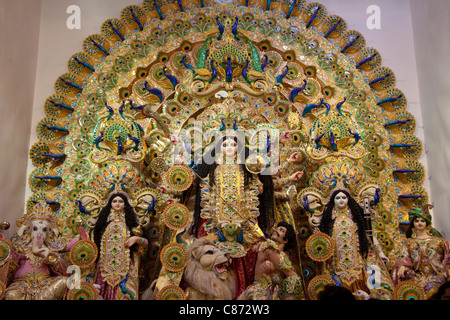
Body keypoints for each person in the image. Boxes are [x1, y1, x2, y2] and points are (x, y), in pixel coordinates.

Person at [187, 133, 276, 297]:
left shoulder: (247, 169)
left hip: (244, 219)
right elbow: (196, 186)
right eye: (225, 144)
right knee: (211, 256)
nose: (229, 147)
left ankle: (244, 294)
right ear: (218, 148)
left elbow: (260, 189)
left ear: (239, 148)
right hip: (213, 219)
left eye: (233, 145)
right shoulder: (212, 168)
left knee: (246, 256)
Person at [317, 189, 392, 299]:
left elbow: (370, 237)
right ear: (333, 201)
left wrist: (380, 253)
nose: (341, 200)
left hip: (358, 264)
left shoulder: (357, 219)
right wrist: (319, 238)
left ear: (349, 199)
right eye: (337, 198)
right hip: (336, 265)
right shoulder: (329, 220)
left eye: (344, 197)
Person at [4, 201, 78, 300]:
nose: (39, 233)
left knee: (64, 281)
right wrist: (18, 256)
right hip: (21, 286)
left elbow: (64, 271)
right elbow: (9, 270)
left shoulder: (48, 251)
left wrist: (50, 257)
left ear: (48, 234)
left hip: (44, 286)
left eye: (44, 230)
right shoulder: (19, 248)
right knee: (10, 295)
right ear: (28, 230)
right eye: (35, 229)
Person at [93, 192, 149, 300]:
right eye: (114, 201)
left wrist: (137, 239)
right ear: (110, 204)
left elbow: (147, 243)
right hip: (104, 265)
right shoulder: (103, 224)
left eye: (120, 201)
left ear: (125, 204)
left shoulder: (131, 224)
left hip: (127, 264)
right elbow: (95, 241)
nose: (117, 204)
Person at [393, 205, 450, 299]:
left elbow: (448, 258)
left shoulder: (440, 241)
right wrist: (402, 266)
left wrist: (447, 270)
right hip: (416, 276)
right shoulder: (409, 242)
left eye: (422, 221)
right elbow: (404, 256)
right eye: (417, 221)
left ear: (427, 223)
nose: (419, 223)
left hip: (436, 275)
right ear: (413, 223)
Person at [239, 221, 304, 300]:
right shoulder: (268, 246)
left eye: (281, 230)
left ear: (285, 241)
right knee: (295, 278)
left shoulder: (283, 255)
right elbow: (289, 272)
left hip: (273, 292)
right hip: (260, 291)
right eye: (276, 228)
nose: (275, 230)